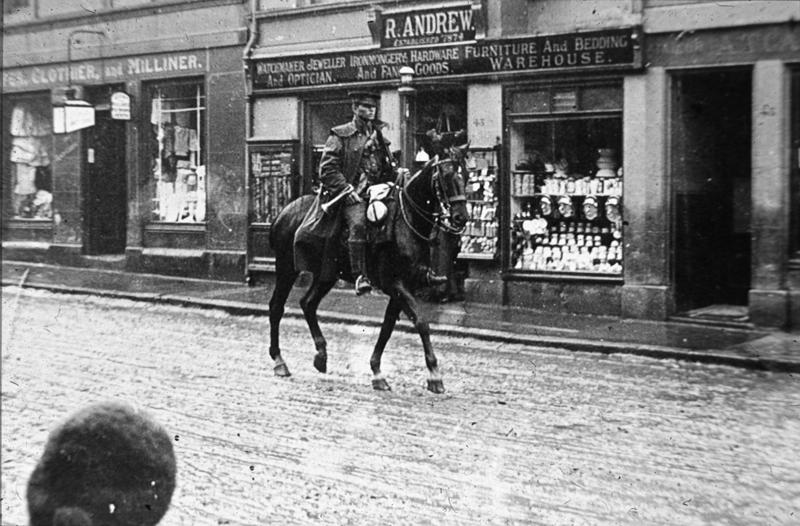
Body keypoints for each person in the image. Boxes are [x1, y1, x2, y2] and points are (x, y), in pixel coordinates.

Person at [318, 90, 445, 295]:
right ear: (354, 108)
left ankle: (411, 271)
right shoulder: (340, 135)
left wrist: (397, 173)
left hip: (377, 192)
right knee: (358, 224)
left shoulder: (379, 137)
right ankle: (360, 276)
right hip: (353, 194)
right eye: (365, 106)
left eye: (373, 107)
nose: (371, 110)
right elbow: (327, 169)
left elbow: (384, 169)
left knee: (402, 218)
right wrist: (344, 188)